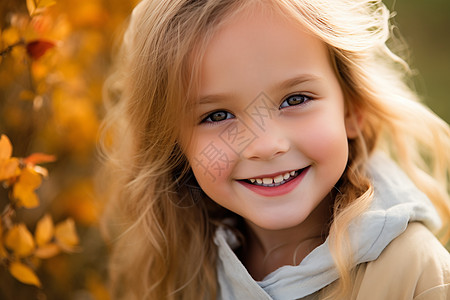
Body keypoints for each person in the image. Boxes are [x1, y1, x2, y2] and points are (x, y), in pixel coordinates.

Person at [100, 0, 450, 299]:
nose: (265, 146)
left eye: (295, 99)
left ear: (352, 107)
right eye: (217, 115)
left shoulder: (415, 274)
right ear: (173, 142)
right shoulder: (181, 269)